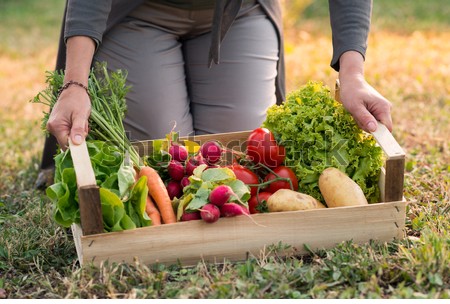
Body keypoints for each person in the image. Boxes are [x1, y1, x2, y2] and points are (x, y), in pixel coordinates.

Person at [35, 0, 392, 188]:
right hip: (136, 13)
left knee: (237, 157)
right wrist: (75, 83)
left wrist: (352, 74)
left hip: (238, 13)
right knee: (162, 155)